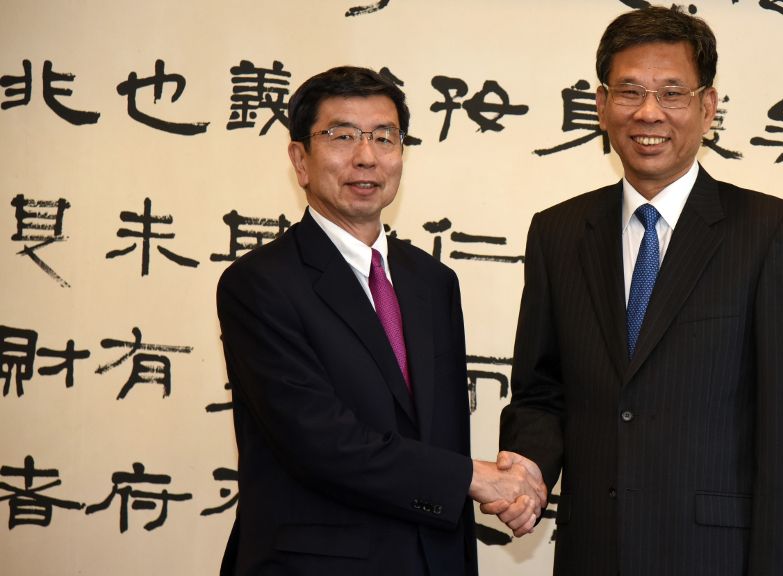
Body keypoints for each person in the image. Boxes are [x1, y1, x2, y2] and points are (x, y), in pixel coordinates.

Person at [496, 7, 783, 576]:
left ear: (708, 107)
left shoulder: (770, 230)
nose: (648, 112)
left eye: (672, 92)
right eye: (629, 92)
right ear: (601, 106)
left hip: (714, 558)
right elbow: (541, 390)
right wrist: (528, 469)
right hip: (592, 553)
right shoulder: (558, 232)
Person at [216, 66, 544, 576]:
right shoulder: (259, 284)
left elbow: (442, 436)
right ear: (300, 159)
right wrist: (473, 479)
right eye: (341, 136)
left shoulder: (433, 282)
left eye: (384, 137)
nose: (366, 156)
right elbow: (321, 442)